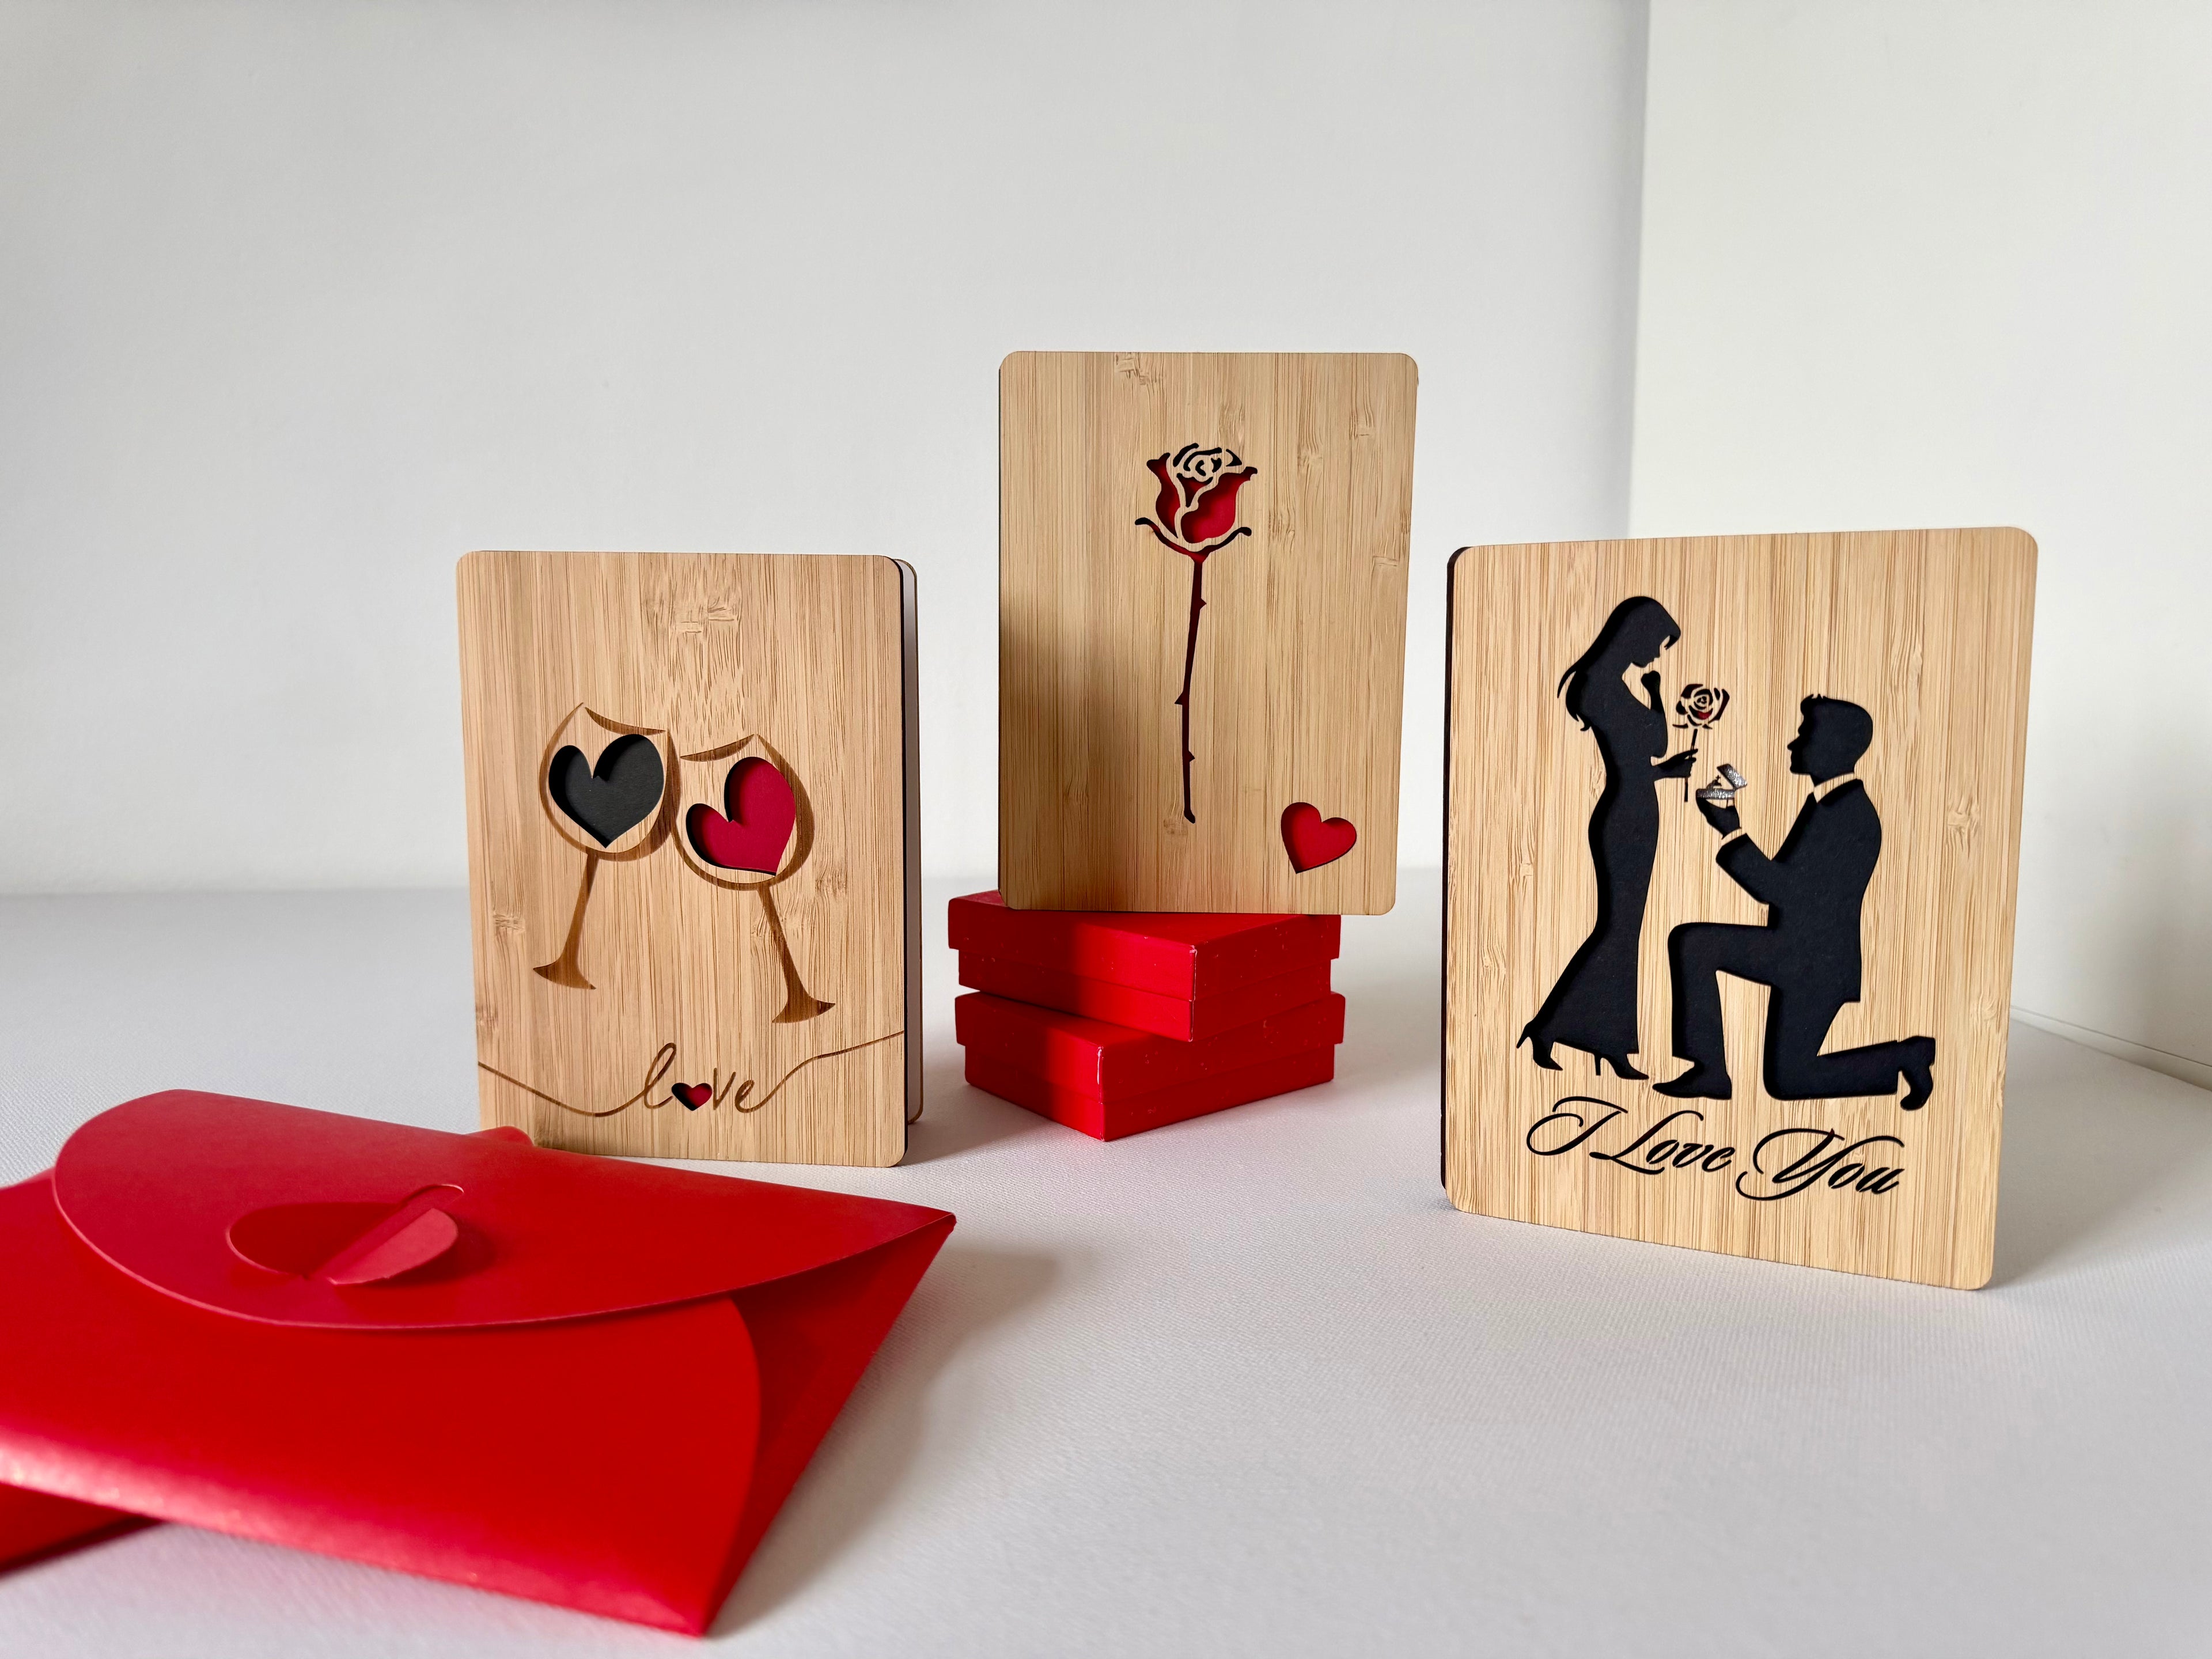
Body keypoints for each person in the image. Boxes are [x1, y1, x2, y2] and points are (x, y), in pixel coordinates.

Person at [1654, 696, 1937, 1109]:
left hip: (1815, 962)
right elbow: (1788, 883)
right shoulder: (1825, 805)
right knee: (1789, 1079)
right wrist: (1731, 829)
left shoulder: (1850, 815)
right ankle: (1905, 1057)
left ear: (1836, 746)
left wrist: (1731, 831)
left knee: (1694, 944)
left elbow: (1782, 891)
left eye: (1806, 736)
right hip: (1798, 951)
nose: (1793, 744)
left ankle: (1710, 1070)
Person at [1519, 597, 1699, 1078]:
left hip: (1635, 810)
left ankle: (1604, 1042)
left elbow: (1640, 759)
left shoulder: (1609, 684)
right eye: (1656, 644)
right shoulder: (1598, 685)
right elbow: (1652, 743)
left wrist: (1664, 772)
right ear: (1635, 634)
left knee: (1623, 932)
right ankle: (1556, 1028)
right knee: (1617, 932)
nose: (1656, 656)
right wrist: (1657, 695)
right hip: (1625, 817)